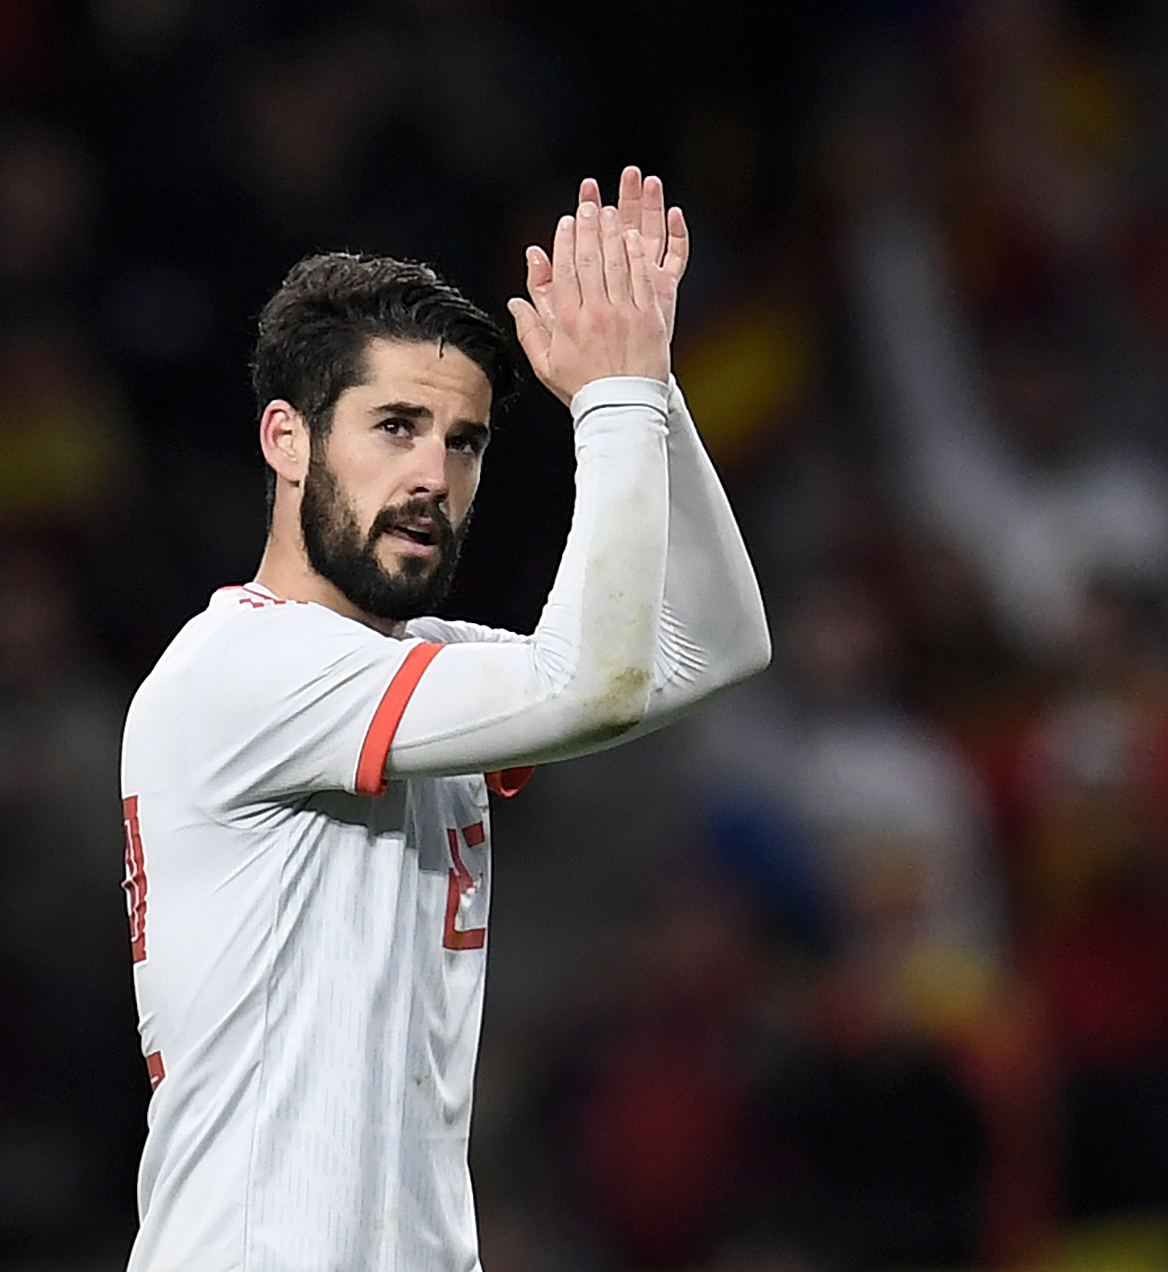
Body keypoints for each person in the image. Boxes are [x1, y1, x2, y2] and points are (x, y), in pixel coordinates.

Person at [119, 169, 771, 1272]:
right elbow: (593, 683)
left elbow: (713, 645)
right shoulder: (242, 669)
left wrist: (647, 390)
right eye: (395, 426)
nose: (431, 473)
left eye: (461, 442)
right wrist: (606, 405)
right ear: (286, 439)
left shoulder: (416, 667)